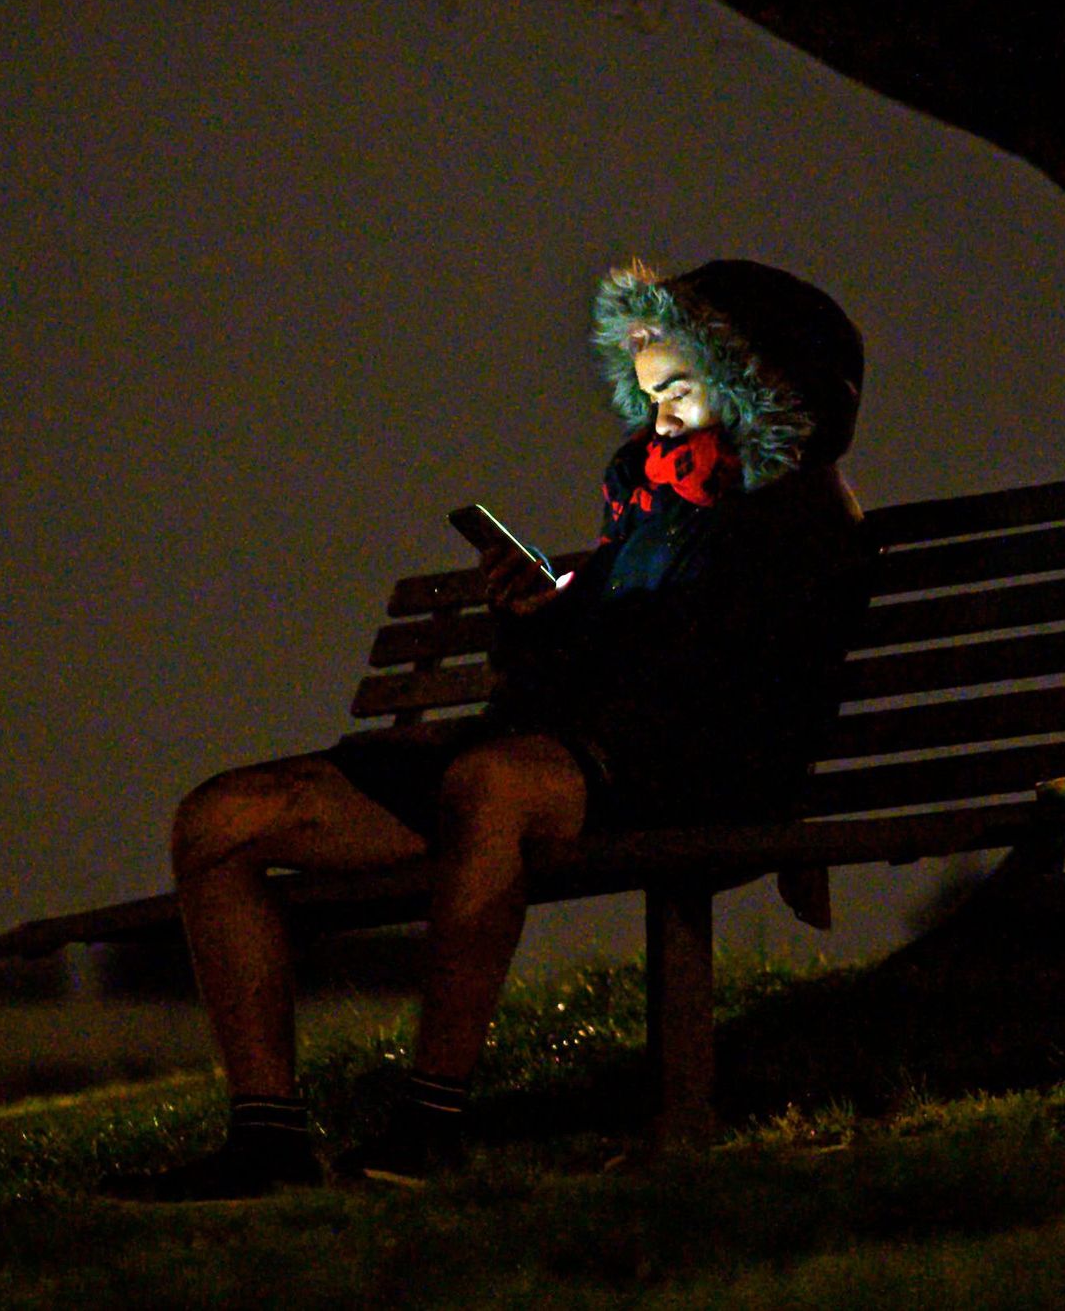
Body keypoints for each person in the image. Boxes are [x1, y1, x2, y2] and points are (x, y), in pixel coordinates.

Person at [107, 258, 870, 1200]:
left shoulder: (798, 515)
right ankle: (265, 1139)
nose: (659, 420)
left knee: (491, 787)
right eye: (648, 398)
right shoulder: (650, 490)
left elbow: (717, 685)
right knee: (221, 818)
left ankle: (432, 1123)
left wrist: (588, 629)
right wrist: (536, 613)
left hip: (677, 768)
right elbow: (574, 666)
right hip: (552, 750)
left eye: (676, 392)